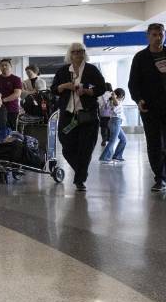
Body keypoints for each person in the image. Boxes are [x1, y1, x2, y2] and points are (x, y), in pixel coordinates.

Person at [128, 23, 166, 191]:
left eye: (161, 34)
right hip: (150, 107)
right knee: (154, 142)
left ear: (165, 35)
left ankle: (165, 168)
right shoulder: (141, 57)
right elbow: (133, 83)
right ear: (148, 36)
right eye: (154, 35)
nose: (158, 38)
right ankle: (159, 177)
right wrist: (138, 99)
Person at [51, 43, 106, 191]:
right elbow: (54, 89)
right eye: (75, 52)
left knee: (86, 148)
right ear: (70, 54)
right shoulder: (63, 71)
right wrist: (64, 86)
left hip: (87, 115)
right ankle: (81, 171)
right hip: (68, 116)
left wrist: (87, 91)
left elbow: (102, 87)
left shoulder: (91, 69)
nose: (78, 54)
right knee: (67, 147)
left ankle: (79, 180)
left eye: (81, 51)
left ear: (84, 53)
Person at [0, 59, 23, 139]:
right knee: (0, 131)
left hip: (12, 110)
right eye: (2, 65)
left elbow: (17, 94)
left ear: (11, 67)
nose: (4, 67)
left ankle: (12, 145)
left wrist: (2, 100)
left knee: (12, 132)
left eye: (6, 65)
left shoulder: (16, 79)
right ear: (0, 67)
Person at [99, 89, 128, 164]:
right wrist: (114, 97)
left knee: (124, 139)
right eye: (123, 96)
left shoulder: (115, 101)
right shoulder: (115, 101)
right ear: (121, 96)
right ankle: (104, 157)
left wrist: (114, 97)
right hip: (115, 121)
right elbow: (116, 104)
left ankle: (117, 156)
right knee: (113, 140)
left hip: (115, 122)